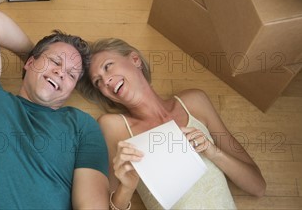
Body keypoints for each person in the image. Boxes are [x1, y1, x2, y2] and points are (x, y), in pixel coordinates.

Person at [0, 2, 109, 209]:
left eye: (71, 75)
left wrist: (42, 66)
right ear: (30, 63)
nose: (61, 72)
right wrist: (29, 55)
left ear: (71, 90)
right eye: (55, 61)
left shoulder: (82, 126)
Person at [76, 38, 266, 210]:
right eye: (98, 82)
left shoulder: (194, 102)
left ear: (135, 60)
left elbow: (257, 186)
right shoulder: (113, 127)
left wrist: (213, 152)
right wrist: (127, 187)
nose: (106, 81)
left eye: (108, 66)